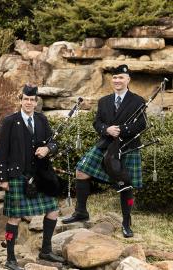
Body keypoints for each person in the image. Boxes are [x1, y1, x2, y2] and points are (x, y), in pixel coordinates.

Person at [62, 64, 146, 238]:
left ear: (128, 79)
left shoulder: (138, 101)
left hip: (127, 147)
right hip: (105, 144)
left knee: (125, 184)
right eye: (114, 77)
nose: (117, 80)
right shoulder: (104, 101)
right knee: (81, 170)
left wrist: (121, 130)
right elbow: (97, 123)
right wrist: (106, 129)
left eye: (121, 77)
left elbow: (141, 125)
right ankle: (81, 212)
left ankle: (126, 222)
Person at [0, 84, 64, 270]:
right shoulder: (10, 121)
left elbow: (53, 143)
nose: (28, 102)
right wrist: (3, 179)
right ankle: (10, 258)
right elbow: (2, 152)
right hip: (17, 175)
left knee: (53, 210)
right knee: (15, 217)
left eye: (32, 100)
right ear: (21, 100)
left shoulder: (42, 119)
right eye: (25, 99)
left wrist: (48, 149)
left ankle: (46, 250)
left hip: (39, 174)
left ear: (36, 102)